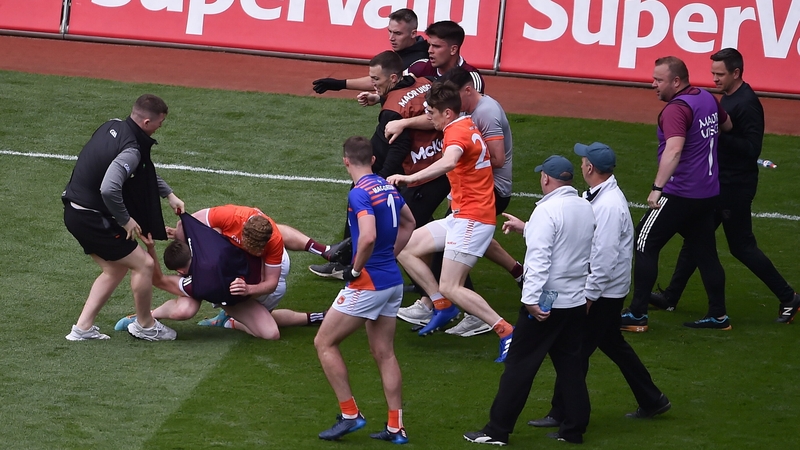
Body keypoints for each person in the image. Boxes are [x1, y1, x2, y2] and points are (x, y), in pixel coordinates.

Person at [649, 48, 800, 323]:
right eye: (712, 73)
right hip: (719, 183)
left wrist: (715, 136)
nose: (714, 79)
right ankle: (671, 296)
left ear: (736, 73)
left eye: (719, 74)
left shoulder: (747, 103)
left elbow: (752, 149)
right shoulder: (729, 97)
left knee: (741, 246)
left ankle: (789, 297)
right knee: (697, 239)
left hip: (735, 188)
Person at [528, 143, 670, 433]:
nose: (580, 166)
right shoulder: (605, 199)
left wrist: (590, 295)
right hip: (608, 290)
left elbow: (604, 257)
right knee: (612, 345)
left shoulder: (608, 206)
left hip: (602, 293)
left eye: (582, 162)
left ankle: (562, 413)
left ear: (590, 168)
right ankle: (652, 399)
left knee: (575, 352)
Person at [464, 155, 594, 446]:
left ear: (546, 179)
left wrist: (531, 300)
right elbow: (571, 245)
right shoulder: (585, 207)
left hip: (546, 303)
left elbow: (539, 261)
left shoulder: (546, 212)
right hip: (574, 301)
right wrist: (528, 228)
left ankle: (497, 430)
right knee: (571, 367)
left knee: (519, 367)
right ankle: (574, 430)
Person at [386, 82, 514, 362]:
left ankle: (506, 331)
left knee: (452, 285)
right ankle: (441, 306)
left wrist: (410, 178)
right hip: (463, 216)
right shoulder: (465, 123)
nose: (428, 116)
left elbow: (449, 161)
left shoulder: (455, 133)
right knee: (406, 248)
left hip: (472, 219)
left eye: (431, 111)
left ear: (446, 112)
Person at [309, 51, 450, 278]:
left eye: (376, 80)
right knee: (423, 224)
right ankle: (349, 258)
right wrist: (378, 97)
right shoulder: (422, 81)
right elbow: (411, 102)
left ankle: (434, 293)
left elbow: (399, 146)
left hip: (422, 170)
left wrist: (381, 179)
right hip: (435, 163)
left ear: (393, 78)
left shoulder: (393, 110)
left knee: (409, 228)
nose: (372, 83)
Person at [620, 56, 732, 332]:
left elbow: (674, 150)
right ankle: (719, 316)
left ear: (677, 81)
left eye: (659, 80)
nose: (654, 84)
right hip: (707, 194)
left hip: (680, 192)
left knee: (644, 243)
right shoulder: (706, 98)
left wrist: (657, 188)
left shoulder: (676, 109)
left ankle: (637, 314)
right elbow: (726, 126)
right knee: (706, 253)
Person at [314, 136, 416, 443]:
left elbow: (368, 236)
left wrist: (355, 270)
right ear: (372, 159)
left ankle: (350, 414)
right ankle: (396, 427)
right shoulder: (387, 186)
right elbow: (409, 222)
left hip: (368, 282)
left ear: (346, 161)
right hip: (392, 282)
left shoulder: (359, 194)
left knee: (324, 342)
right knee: (385, 354)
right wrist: (392, 255)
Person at [62, 94, 183, 341]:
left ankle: (82, 328)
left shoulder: (112, 124)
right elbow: (109, 187)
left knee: (114, 268)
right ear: (147, 121)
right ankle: (146, 326)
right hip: (92, 217)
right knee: (144, 264)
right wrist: (125, 219)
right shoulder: (132, 150)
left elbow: (141, 173)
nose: (161, 126)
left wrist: (168, 194)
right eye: (160, 122)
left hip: (74, 212)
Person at [114, 213, 329, 340]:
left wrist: (150, 249)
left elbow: (160, 280)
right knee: (270, 333)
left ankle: (228, 318)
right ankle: (229, 322)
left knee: (268, 232)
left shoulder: (199, 280)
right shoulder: (204, 252)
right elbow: (187, 223)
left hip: (258, 279)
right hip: (247, 288)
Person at [311, 8, 428, 94]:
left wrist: (340, 84)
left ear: (413, 33)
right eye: (390, 31)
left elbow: (383, 79)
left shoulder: (420, 60)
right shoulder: (405, 51)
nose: (391, 38)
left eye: (398, 33)